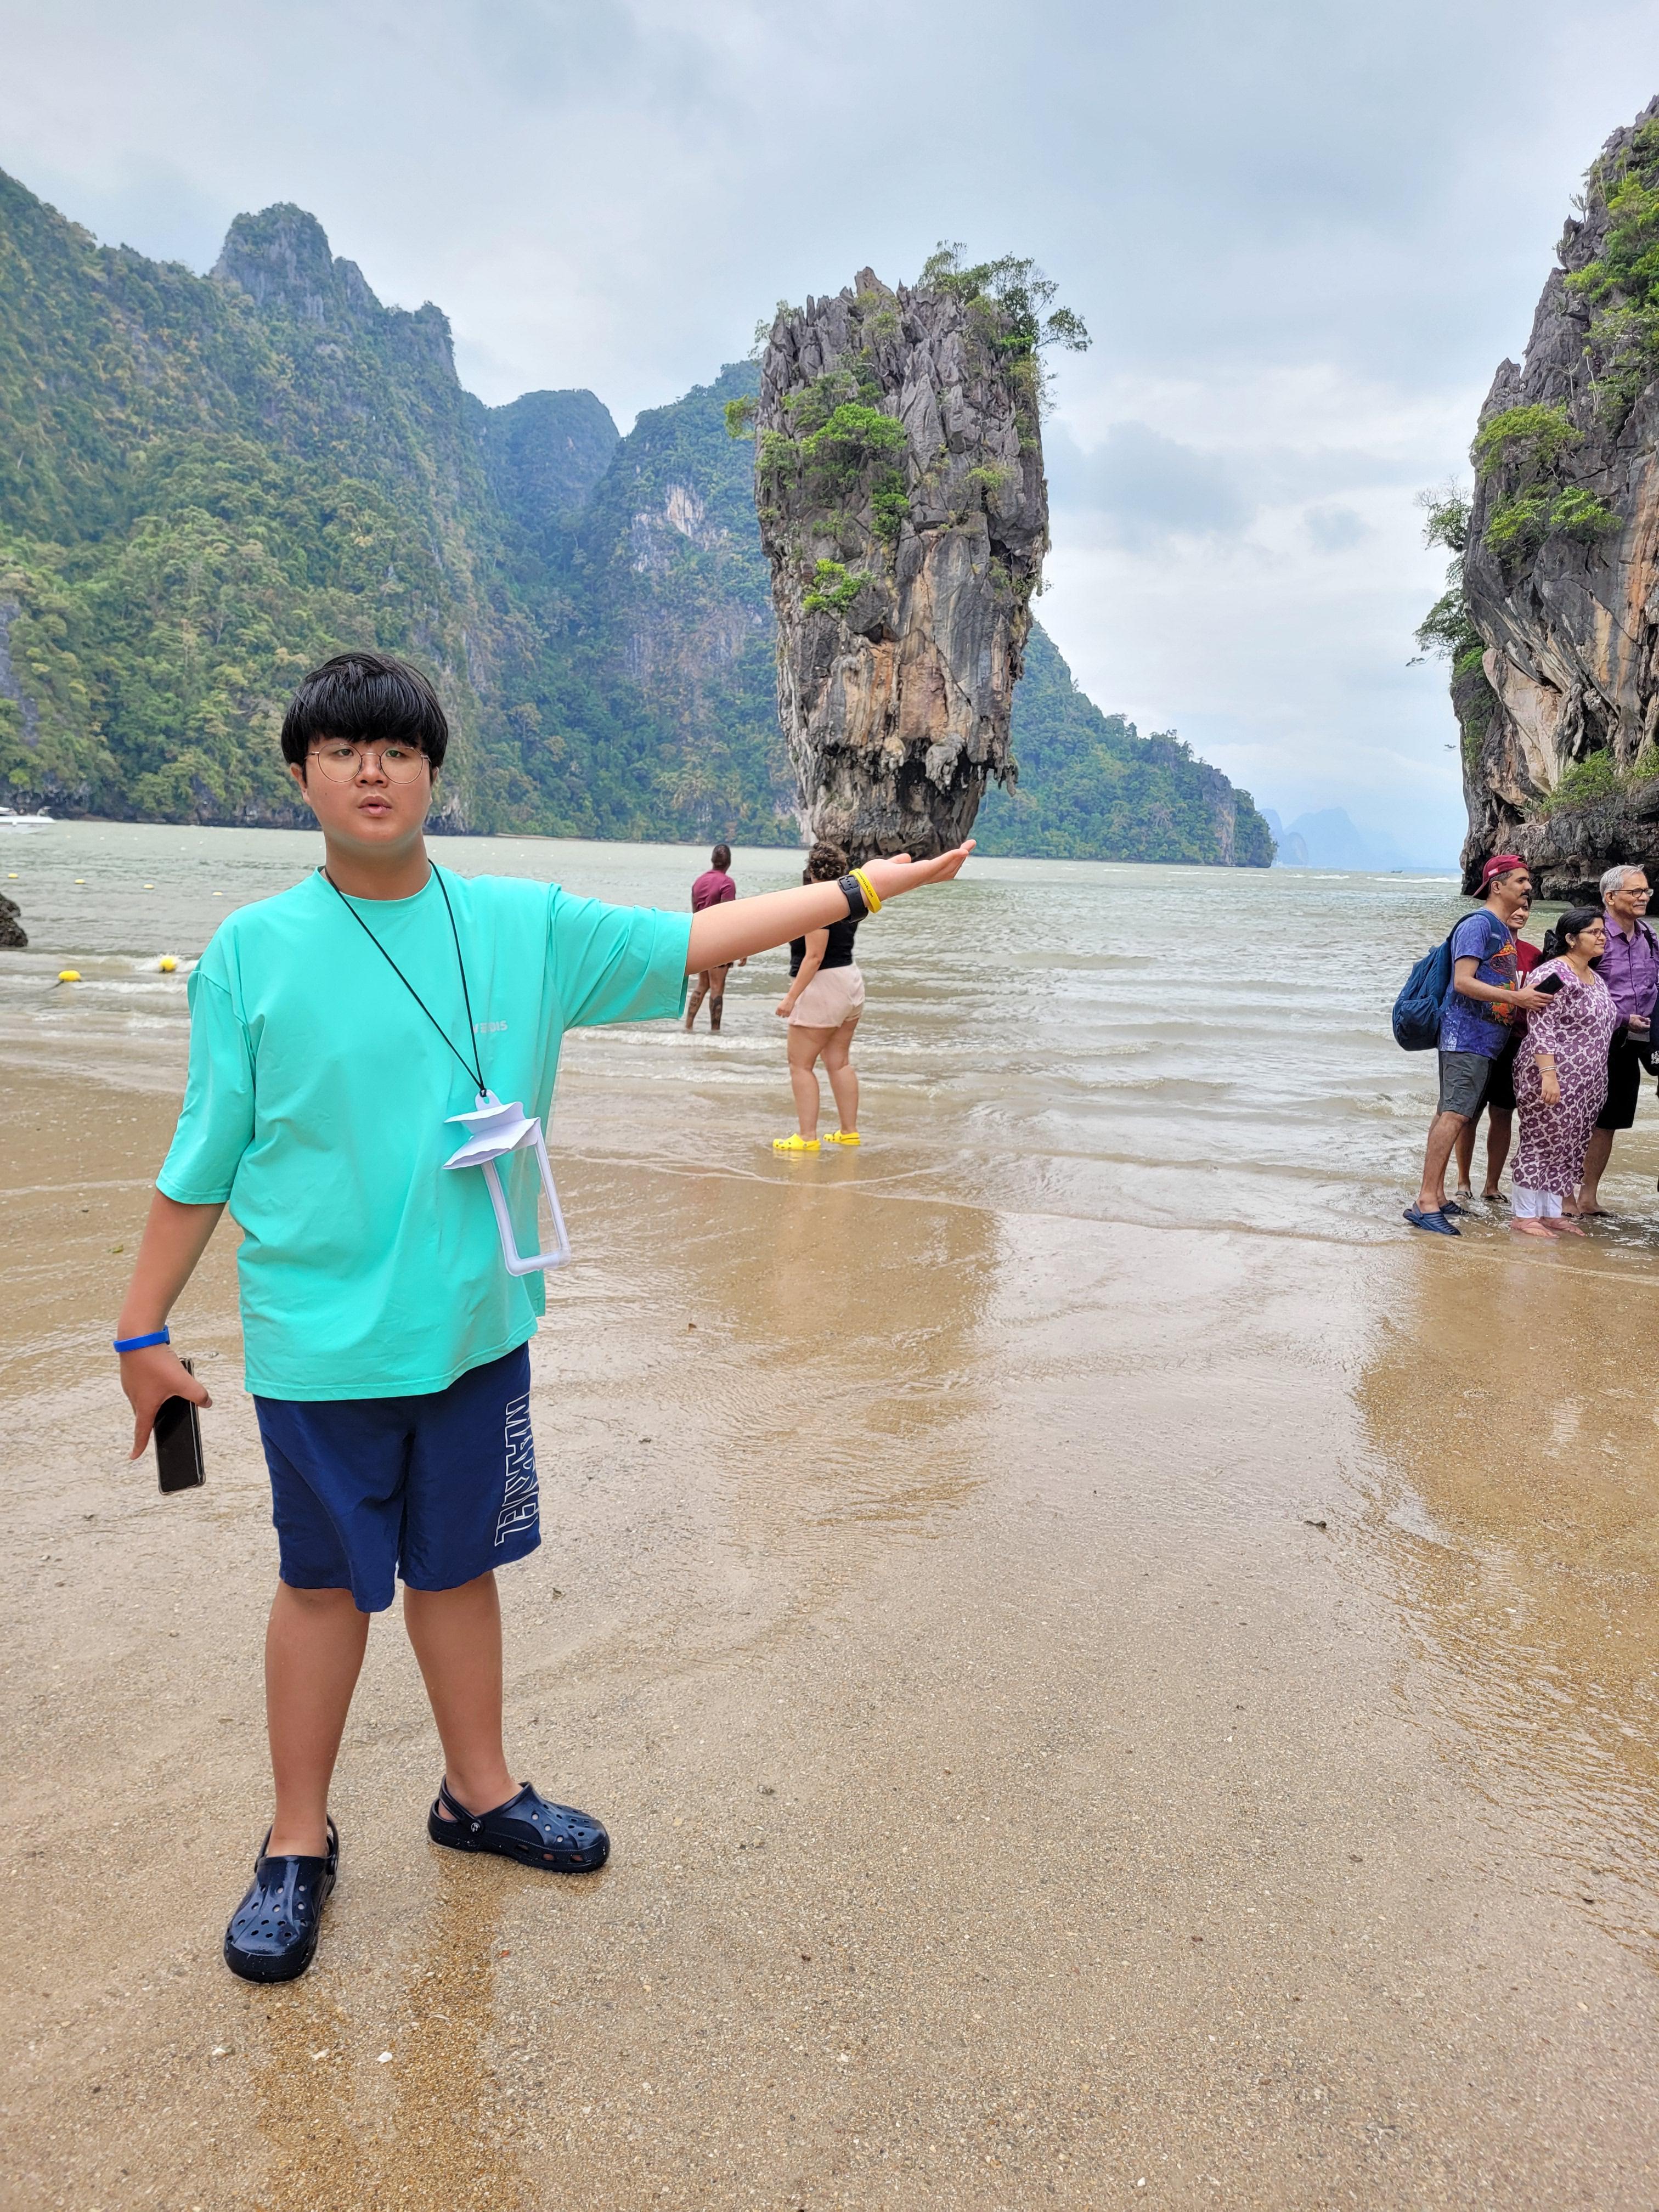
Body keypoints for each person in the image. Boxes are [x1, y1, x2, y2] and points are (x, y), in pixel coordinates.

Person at [112, 651, 970, 1984]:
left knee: (460, 1569)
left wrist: (865, 891)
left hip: (477, 1329)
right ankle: (295, 1841)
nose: (373, 773)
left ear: (434, 776)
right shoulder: (250, 953)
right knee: (323, 1587)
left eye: (399, 751)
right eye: (342, 751)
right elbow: (203, 1154)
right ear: (300, 777)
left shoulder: (527, 926)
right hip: (319, 1346)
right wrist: (140, 1333)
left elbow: (697, 942)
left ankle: (480, 1794)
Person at [1407, 855, 1551, 1237]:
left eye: (1528, 881)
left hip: (1483, 1040)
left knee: (1449, 1112)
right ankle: (1425, 1202)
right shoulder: (1479, 924)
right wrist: (1518, 999)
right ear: (1497, 886)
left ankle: (1437, 1196)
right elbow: (1463, 981)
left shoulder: (1501, 929)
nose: (1528, 887)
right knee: (1455, 1115)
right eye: (1520, 881)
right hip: (1465, 1036)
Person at [1511, 906, 1617, 1237]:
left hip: (1587, 1080)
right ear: (1571, 939)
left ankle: (1550, 1212)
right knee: (1540, 1140)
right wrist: (1549, 1074)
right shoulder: (1554, 974)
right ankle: (1524, 1215)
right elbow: (1541, 1026)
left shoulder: (1594, 977)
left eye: (1603, 932)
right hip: (1551, 1073)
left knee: (1569, 1143)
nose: (1602, 937)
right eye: (1594, 932)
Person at [1568, 864, 1657, 1216]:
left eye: (1646, 891)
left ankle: (1588, 1198)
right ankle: (1563, 1198)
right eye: (1635, 892)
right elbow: (1575, 989)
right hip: (1595, 1040)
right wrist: (1622, 1018)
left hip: (1638, 1040)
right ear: (1610, 897)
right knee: (1579, 1117)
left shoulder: (1648, 935)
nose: (1643, 897)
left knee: (1610, 1121)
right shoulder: (1594, 935)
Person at [772, 840, 867, 1154]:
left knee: (800, 1064)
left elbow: (814, 957)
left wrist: (791, 998)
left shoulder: (818, 904)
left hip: (824, 986)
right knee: (839, 1062)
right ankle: (849, 1132)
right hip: (850, 980)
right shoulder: (850, 898)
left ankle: (807, 1137)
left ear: (812, 871)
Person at [1452, 883, 1540, 1205]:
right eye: (1517, 906)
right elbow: (1462, 981)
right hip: (1480, 1038)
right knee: (1468, 1113)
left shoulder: (1533, 954)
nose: (1521, 913)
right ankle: (1463, 1181)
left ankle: (1492, 1185)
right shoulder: (1486, 943)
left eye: (1526, 909)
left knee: (1503, 1113)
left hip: (1516, 1042)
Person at [685, 842, 741, 1033]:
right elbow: (727, 916)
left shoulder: (699, 882)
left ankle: (688, 1026)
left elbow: (695, 913)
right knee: (717, 987)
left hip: (700, 938)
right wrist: (740, 948)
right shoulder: (727, 883)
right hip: (718, 941)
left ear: (712, 860)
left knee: (703, 984)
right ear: (729, 862)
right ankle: (715, 1031)